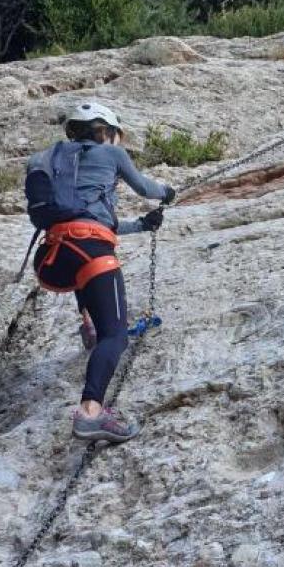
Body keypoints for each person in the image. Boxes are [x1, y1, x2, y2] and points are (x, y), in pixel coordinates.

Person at [26, 102, 175, 443]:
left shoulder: (52, 160)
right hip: (90, 250)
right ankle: (91, 413)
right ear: (105, 132)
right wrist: (167, 193)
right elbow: (145, 188)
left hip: (55, 253)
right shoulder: (111, 155)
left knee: (86, 272)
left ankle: (89, 325)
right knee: (117, 337)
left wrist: (139, 226)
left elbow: (85, 220)